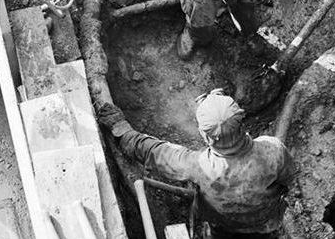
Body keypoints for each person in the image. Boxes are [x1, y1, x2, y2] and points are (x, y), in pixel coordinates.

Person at [98, 89, 295, 238]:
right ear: (242, 123)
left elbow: (153, 151)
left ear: (205, 136)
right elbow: (287, 180)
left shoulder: (198, 166)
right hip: (266, 226)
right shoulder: (273, 150)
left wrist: (121, 128)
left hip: (222, 228)